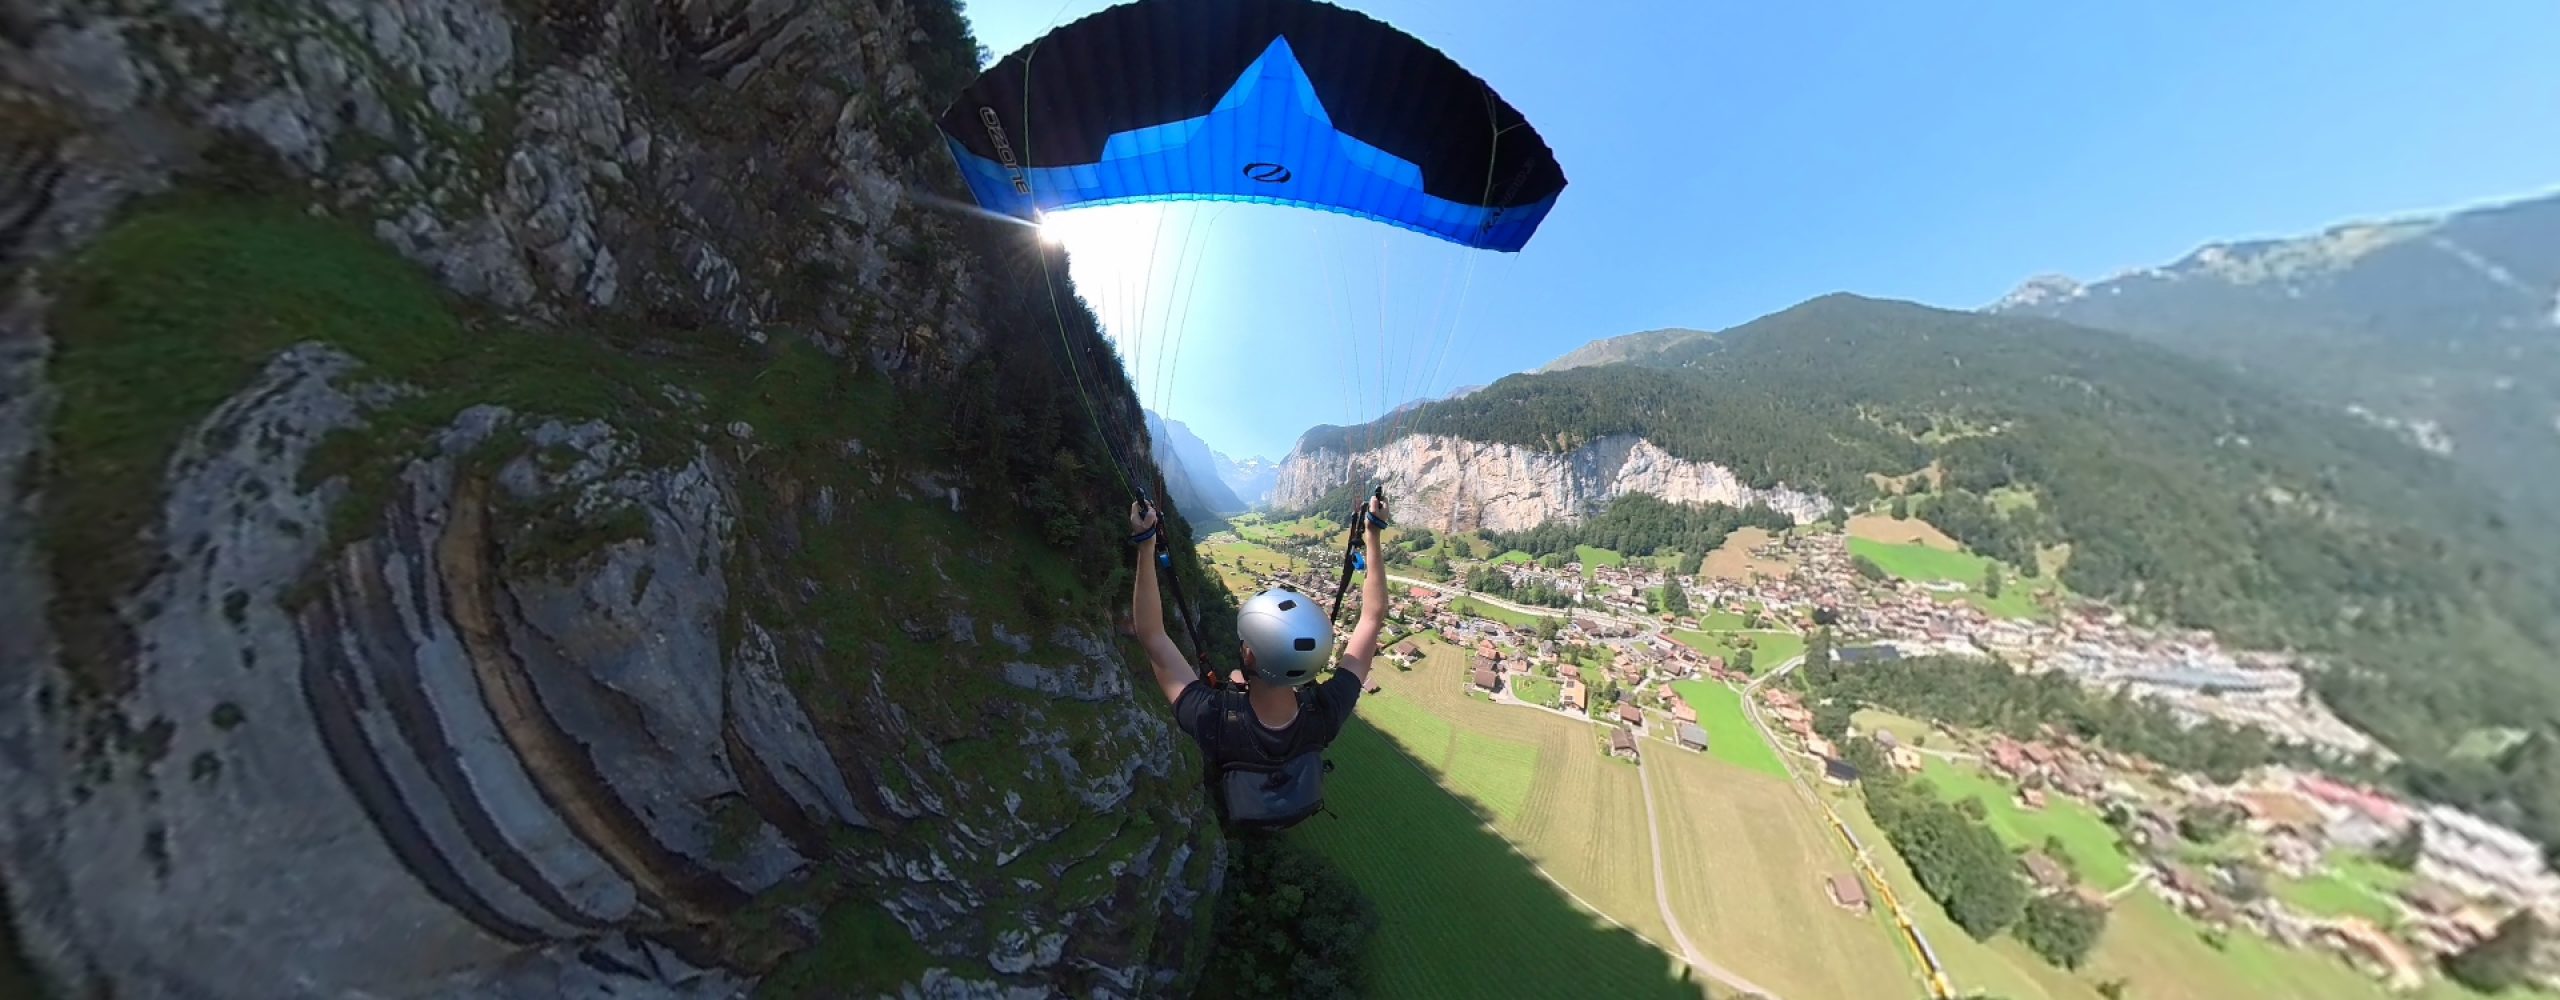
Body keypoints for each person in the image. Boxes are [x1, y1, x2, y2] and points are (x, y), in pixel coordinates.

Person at [1127, 496, 1388, 826]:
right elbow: (1372, 619)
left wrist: (1145, 543)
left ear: (1249, 654)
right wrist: (1374, 532)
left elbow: (1151, 636)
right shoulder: (1323, 713)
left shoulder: (1212, 717)